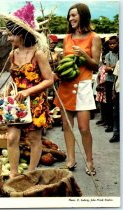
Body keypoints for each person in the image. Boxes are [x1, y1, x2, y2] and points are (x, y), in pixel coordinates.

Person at [2, 2, 54, 177]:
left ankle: (31, 173)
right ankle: (14, 174)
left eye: (11, 35)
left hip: (35, 102)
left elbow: (49, 80)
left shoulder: (38, 54)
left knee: (33, 139)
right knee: (12, 138)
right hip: (17, 103)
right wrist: (9, 88)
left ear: (21, 34)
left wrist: (28, 92)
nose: (9, 39)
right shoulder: (12, 54)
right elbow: (15, 77)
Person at [53, 3, 102, 176]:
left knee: (83, 128)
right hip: (66, 86)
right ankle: (71, 159)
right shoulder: (66, 38)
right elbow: (64, 62)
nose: (70, 19)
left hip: (83, 86)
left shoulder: (94, 37)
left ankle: (89, 161)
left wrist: (84, 55)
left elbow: (95, 65)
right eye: (69, 16)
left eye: (74, 15)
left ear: (83, 15)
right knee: (67, 126)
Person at [103, 36, 119, 132]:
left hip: (118, 81)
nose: (112, 45)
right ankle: (110, 124)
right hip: (109, 81)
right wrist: (115, 67)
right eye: (110, 44)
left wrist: (112, 68)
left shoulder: (119, 54)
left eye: (114, 43)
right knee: (109, 103)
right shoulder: (108, 55)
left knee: (117, 104)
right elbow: (107, 69)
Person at [109, 60, 119, 142]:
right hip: (119, 91)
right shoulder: (119, 62)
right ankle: (116, 133)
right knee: (116, 114)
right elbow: (116, 78)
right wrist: (113, 90)